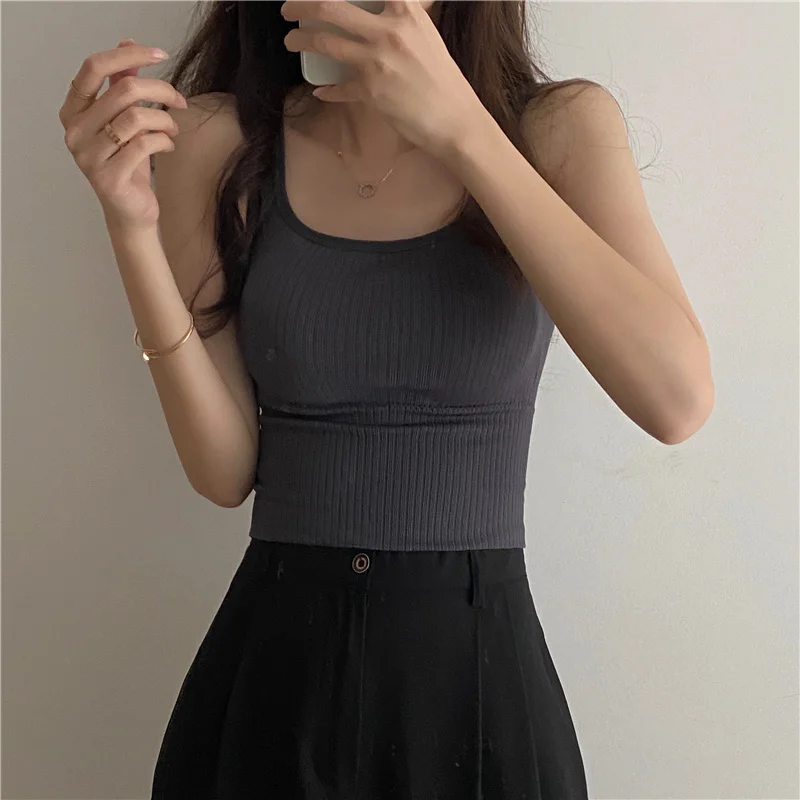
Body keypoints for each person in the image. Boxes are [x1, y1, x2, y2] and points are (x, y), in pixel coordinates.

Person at [58, 1, 713, 797]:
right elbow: (224, 472)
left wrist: (462, 129)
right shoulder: (218, 141)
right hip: (273, 683)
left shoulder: (556, 129)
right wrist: (130, 230)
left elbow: (676, 400)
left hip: (478, 691)